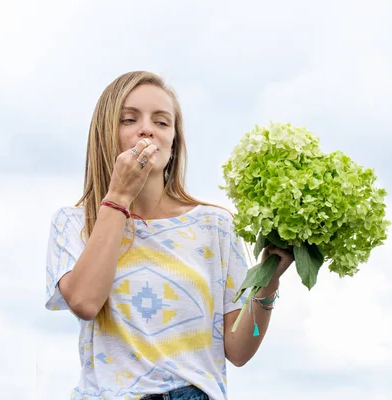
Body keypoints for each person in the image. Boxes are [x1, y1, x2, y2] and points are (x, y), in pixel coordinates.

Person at [44, 71, 294, 400]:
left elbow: (239, 350)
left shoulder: (215, 225)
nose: (147, 129)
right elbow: (85, 302)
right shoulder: (73, 223)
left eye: (162, 122)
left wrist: (269, 281)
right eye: (129, 119)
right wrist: (118, 198)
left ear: (174, 142)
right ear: (106, 134)